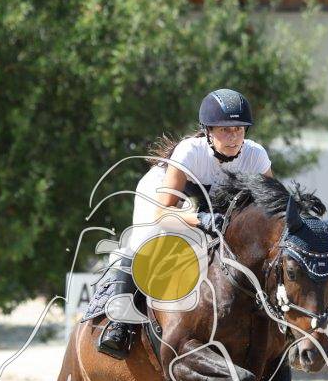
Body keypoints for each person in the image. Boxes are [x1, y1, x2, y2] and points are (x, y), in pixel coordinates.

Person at [96, 89, 273, 358]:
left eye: (239, 129)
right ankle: (119, 321)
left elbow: (272, 208)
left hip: (214, 205)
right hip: (169, 199)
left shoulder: (256, 155)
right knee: (146, 240)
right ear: (208, 131)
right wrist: (201, 219)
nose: (233, 137)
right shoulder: (190, 151)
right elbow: (163, 212)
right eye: (224, 130)